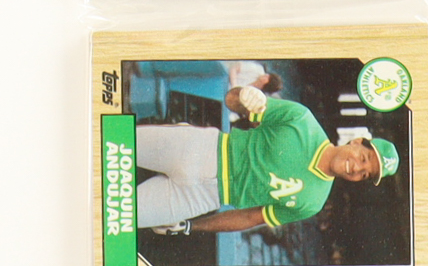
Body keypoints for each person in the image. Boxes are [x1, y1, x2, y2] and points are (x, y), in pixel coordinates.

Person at [136, 84, 399, 234]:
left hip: (205, 197)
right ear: (357, 142)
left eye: (365, 174)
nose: (357, 168)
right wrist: (245, 96)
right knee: (116, 144)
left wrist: (189, 226)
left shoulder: (313, 202)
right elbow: (232, 100)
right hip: (202, 149)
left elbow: (251, 218)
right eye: (364, 158)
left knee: (121, 215)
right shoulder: (302, 120)